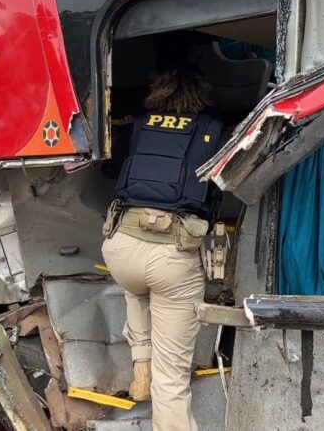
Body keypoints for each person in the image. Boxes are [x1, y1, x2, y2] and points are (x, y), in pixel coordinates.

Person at [102, 66, 224, 431]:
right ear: (199, 97)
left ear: (158, 94)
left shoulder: (140, 124)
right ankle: (153, 373)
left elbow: (112, 168)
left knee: (136, 289)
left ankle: (141, 361)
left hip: (120, 245)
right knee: (171, 381)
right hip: (170, 255)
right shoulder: (210, 129)